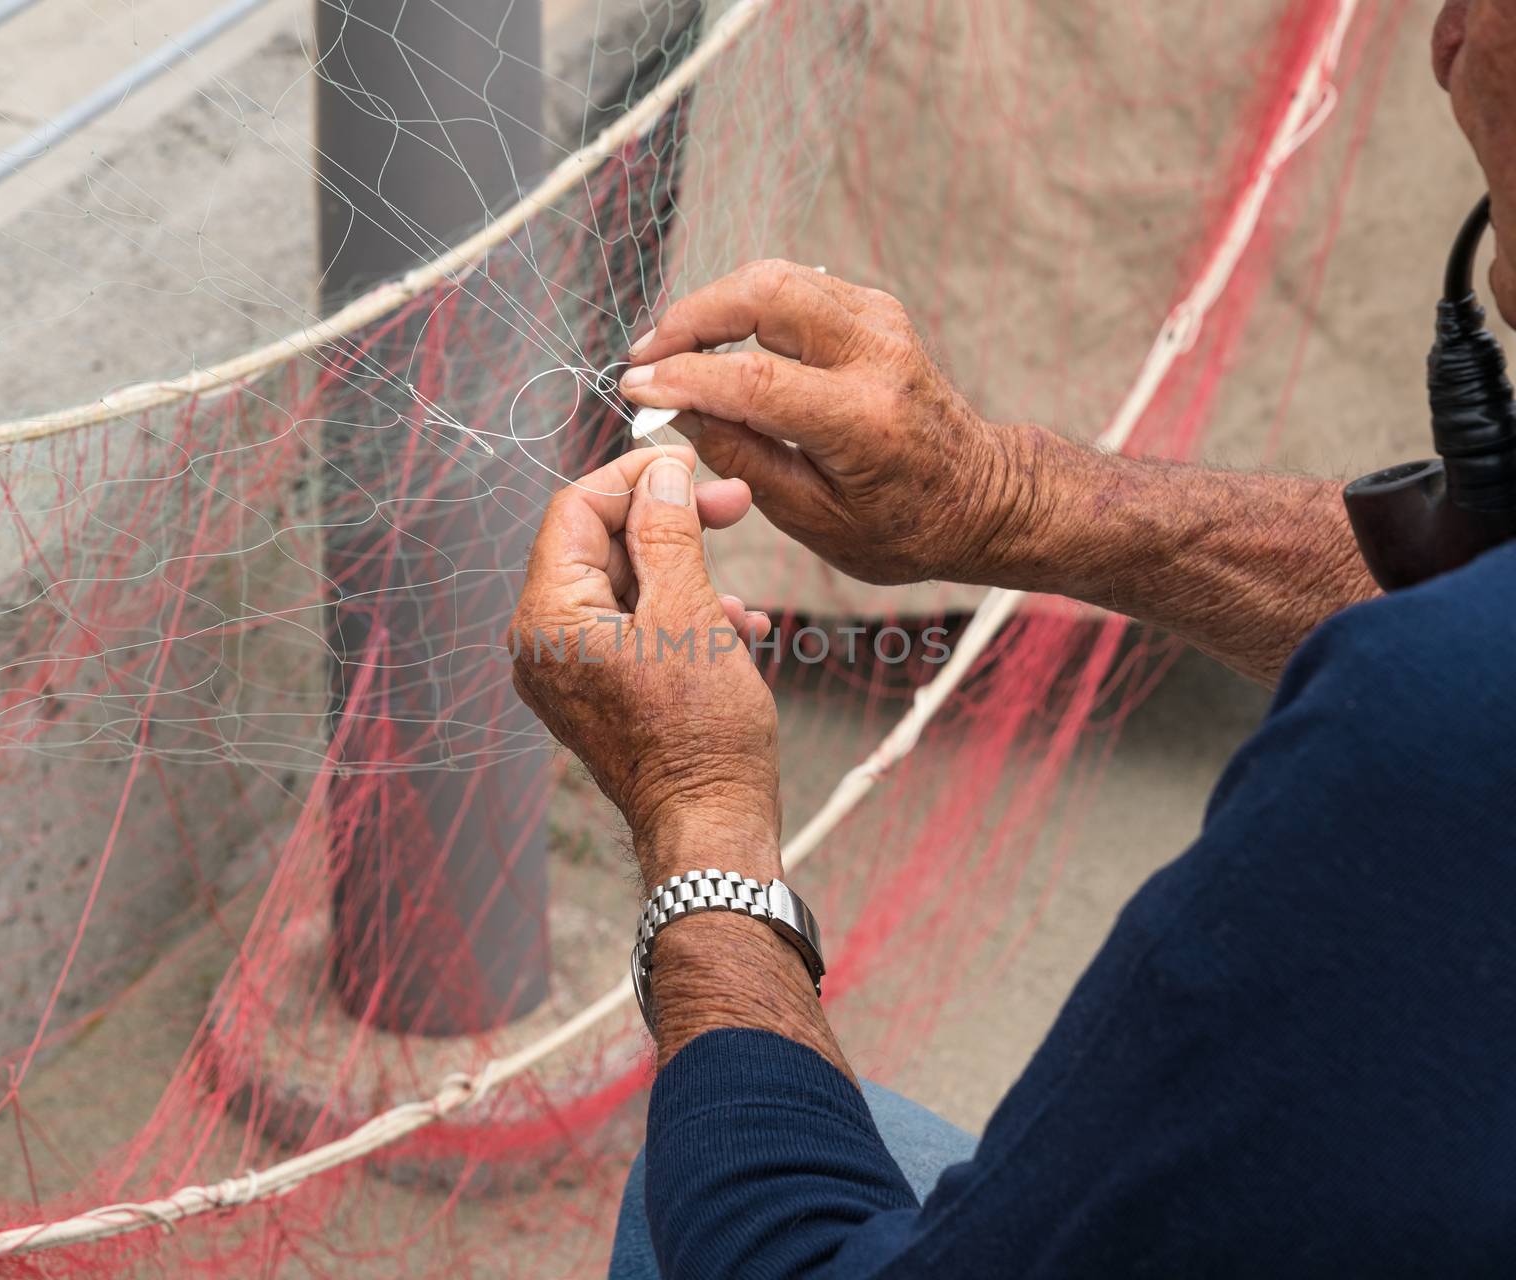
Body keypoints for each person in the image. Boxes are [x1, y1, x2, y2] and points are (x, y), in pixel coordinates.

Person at [507, 3, 1516, 1275]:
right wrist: (1004, 494)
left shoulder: (1425, 748)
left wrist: (700, 826)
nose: (1444, 40)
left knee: (694, 1186)